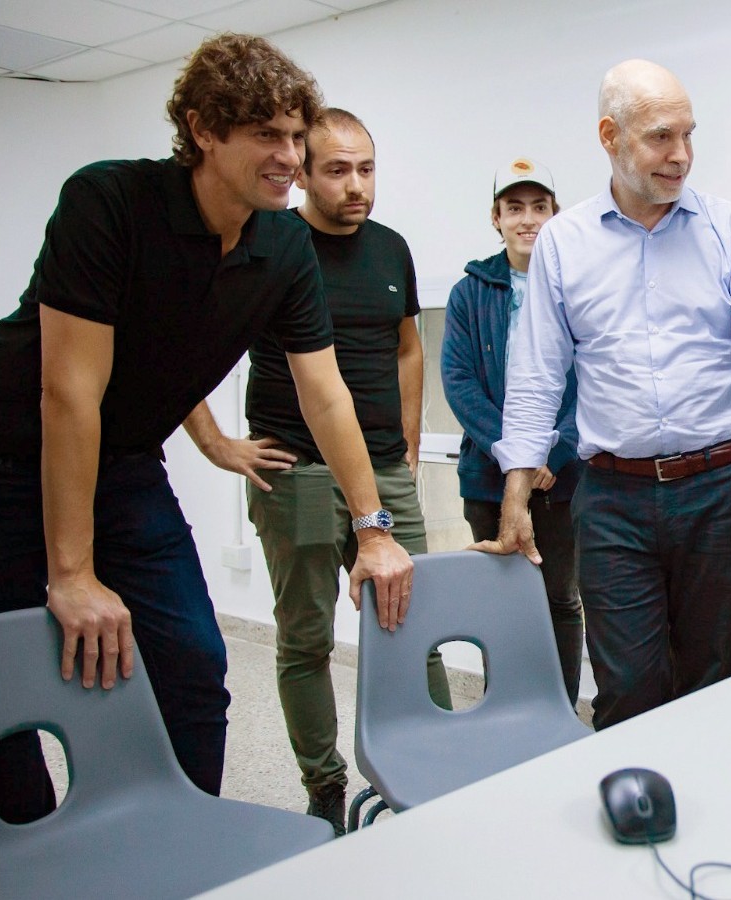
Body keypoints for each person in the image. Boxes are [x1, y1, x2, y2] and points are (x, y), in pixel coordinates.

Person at [0, 35, 414, 826]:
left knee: (191, 661)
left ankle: (180, 835)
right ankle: (16, 852)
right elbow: (69, 394)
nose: (290, 156)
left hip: (120, 462)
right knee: (4, 689)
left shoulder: (283, 243)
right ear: (203, 129)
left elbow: (325, 395)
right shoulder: (109, 202)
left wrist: (373, 528)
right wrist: (73, 574)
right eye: (266, 134)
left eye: (297, 135)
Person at [481, 59, 731, 730]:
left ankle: (700, 796)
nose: (681, 155)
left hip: (723, 489)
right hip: (613, 496)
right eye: (661, 137)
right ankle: (630, 793)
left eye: (688, 135)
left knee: (708, 681)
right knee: (627, 688)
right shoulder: (564, 242)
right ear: (610, 136)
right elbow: (536, 373)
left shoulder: (730, 230)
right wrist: (516, 492)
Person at [183, 108, 440, 834]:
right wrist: (217, 443)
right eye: (337, 170)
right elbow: (179, 343)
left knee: (416, 621)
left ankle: (431, 761)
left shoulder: (391, 248)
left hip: (383, 470)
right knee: (306, 637)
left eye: (367, 169)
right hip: (294, 469)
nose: (356, 186)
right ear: (301, 175)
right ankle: (324, 787)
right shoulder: (267, 244)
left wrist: (408, 438)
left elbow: (408, 347)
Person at [443, 158, 584, 702]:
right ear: (496, 218)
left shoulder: (577, 287)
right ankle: (503, 710)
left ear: (556, 215)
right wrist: (514, 458)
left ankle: (559, 711)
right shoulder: (468, 293)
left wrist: (556, 449)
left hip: (562, 478)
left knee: (560, 600)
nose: (528, 219)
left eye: (539, 207)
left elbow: (592, 380)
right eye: (515, 208)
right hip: (488, 478)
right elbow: (459, 383)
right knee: (500, 604)